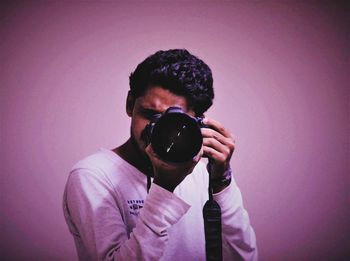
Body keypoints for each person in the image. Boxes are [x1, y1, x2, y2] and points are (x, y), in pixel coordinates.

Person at [63, 49, 258, 261]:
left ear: (197, 121)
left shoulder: (203, 172)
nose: (158, 130)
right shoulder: (93, 176)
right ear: (130, 104)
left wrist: (221, 182)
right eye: (151, 115)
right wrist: (164, 187)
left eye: (172, 121)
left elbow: (243, 257)